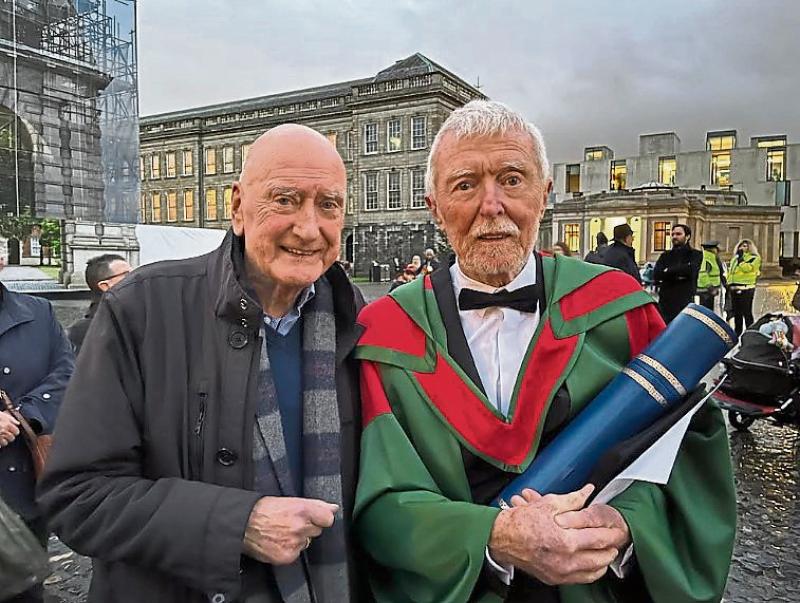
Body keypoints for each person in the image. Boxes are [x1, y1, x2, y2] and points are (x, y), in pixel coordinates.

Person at [353, 100, 735, 602]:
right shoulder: (384, 333)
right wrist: (491, 538)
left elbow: (687, 457)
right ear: (435, 207)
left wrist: (625, 524)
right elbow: (378, 500)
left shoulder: (618, 309)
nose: (492, 205)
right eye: (465, 185)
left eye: (512, 179)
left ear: (544, 194)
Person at [39, 125, 367, 603]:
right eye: (285, 200)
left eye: (329, 205)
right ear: (237, 207)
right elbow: (77, 495)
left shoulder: (354, 316)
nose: (308, 227)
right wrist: (238, 525)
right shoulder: (142, 308)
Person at [0, 255, 74, 603]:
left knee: (25, 591)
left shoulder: (38, 313)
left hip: (25, 487)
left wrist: (23, 417)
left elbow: (66, 375)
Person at [66, 253, 132, 355]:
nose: (136, 278)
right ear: (105, 285)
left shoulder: (136, 317)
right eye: (127, 275)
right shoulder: (84, 332)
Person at [653, 224, 703, 323]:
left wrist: (668, 271)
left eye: (678, 234)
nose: (674, 237)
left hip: (685, 301)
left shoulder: (695, 254)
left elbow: (691, 271)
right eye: (673, 234)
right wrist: (679, 273)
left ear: (687, 236)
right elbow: (657, 274)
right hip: (666, 303)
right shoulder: (665, 255)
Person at [728, 238, 762, 336]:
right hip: (734, 288)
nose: (742, 248)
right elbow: (732, 272)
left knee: (747, 312)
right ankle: (737, 331)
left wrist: (741, 260)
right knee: (736, 312)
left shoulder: (755, 258)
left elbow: (748, 269)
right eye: (741, 246)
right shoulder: (735, 258)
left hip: (746, 288)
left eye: (745, 246)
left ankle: (750, 332)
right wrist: (728, 283)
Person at [697, 241, 725, 312]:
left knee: (708, 311)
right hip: (706, 290)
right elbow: (702, 274)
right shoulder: (707, 258)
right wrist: (711, 287)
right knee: (706, 311)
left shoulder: (711, 258)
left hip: (709, 290)